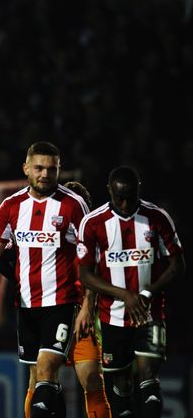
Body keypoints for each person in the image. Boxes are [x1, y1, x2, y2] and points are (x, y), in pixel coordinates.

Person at [0, 141, 90, 418]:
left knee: (47, 369)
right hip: (25, 305)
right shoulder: (11, 206)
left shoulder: (73, 205)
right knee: (38, 379)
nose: (45, 174)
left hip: (62, 301)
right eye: (39, 168)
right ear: (26, 168)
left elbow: (89, 258)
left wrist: (87, 304)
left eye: (52, 169)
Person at [0, 181, 112, 418]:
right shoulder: (39, 228)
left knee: (91, 377)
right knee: (38, 379)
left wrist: (90, 307)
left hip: (79, 312)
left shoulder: (88, 236)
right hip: (45, 309)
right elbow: (0, 258)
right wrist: (22, 280)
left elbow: (101, 270)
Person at [77, 166, 185, 418]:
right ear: (109, 192)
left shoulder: (157, 217)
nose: (125, 204)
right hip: (111, 317)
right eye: (119, 198)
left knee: (149, 380)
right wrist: (124, 295)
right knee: (120, 386)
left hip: (151, 314)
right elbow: (85, 274)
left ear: (139, 189)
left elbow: (178, 265)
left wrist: (148, 293)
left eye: (130, 197)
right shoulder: (92, 223)